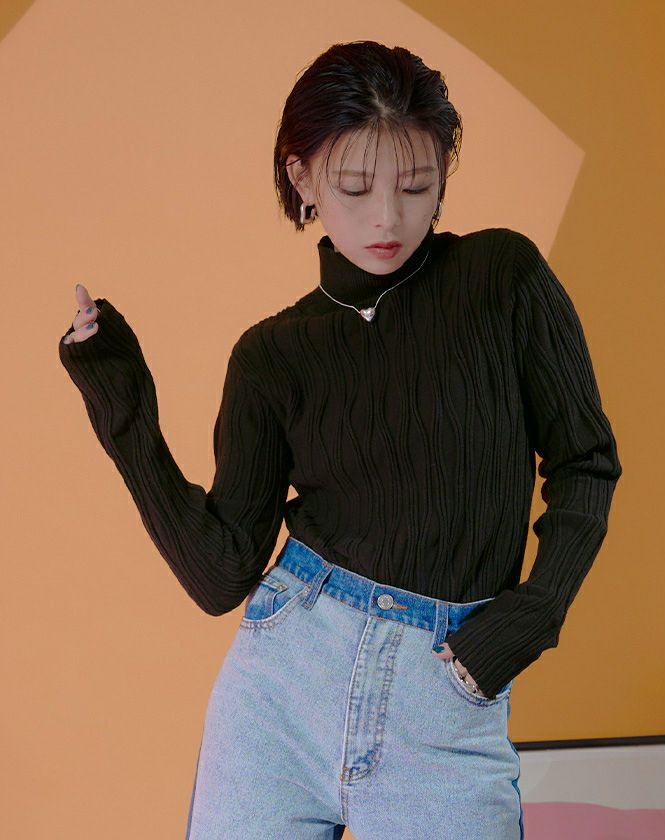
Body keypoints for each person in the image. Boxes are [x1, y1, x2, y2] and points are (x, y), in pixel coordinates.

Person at [59, 40, 622, 840]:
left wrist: (533, 614)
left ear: (443, 172)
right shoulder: (273, 355)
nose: (387, 217)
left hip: (446, 691)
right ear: (303, 178)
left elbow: (585, 461)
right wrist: (118, 399)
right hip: (282, 688)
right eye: (354, 187)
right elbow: (221, 573)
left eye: (416, 184)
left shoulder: (502, 278)